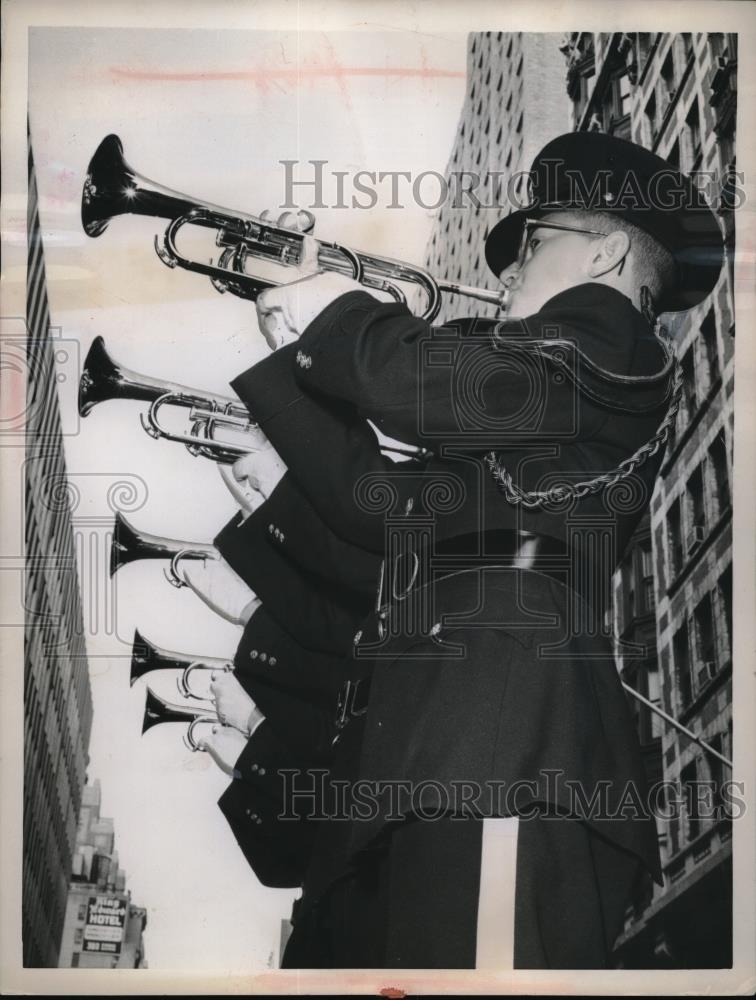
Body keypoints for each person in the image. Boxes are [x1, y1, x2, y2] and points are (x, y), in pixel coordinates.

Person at [210, 131, 725, 968]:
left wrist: (333, 314)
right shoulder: (551, 385)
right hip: (437, 746)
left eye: (530, 241)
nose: (505, 271)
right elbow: (380, 519)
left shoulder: (606, 340)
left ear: (607, 251)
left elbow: (457, 386)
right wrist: (284, 401)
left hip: (503, 747)